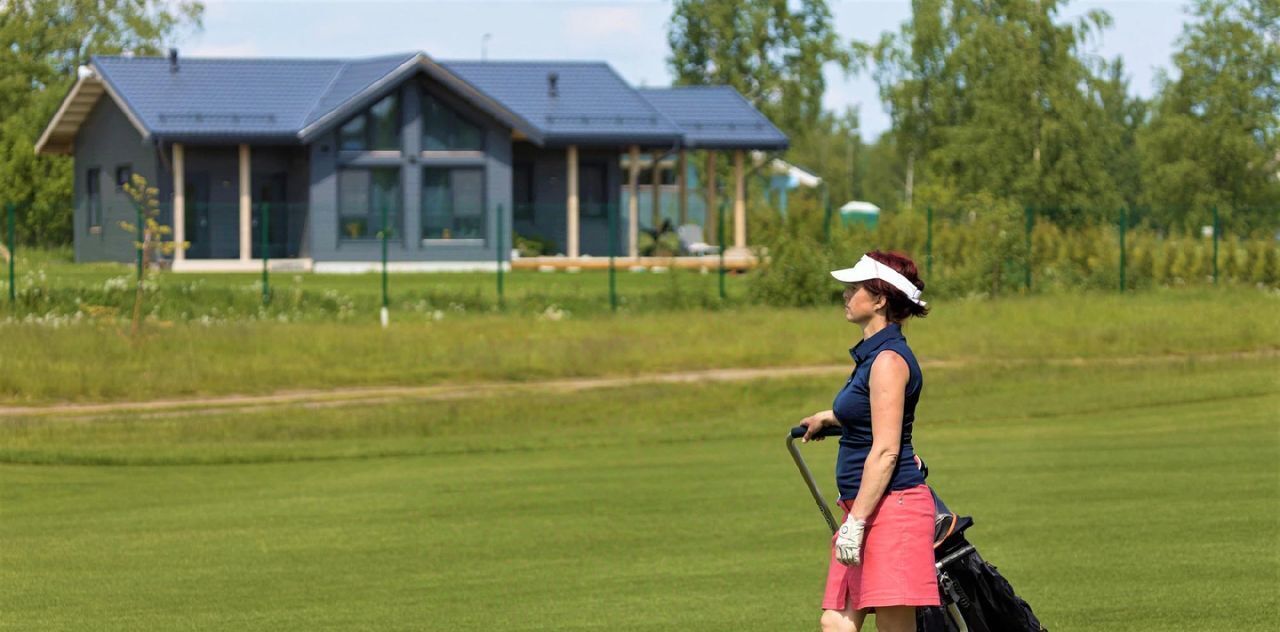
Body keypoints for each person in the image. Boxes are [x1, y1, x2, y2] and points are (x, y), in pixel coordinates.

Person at [798, 250, 939, 632]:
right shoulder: (872, 356)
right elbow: (868, 410)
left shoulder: (888, 361)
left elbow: (887, 448)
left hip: (893, 510)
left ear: (879, 299)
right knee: (836, 623)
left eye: (855, 287)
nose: (846, 294)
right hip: (866, 507)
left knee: (893, 625)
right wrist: (830, 417)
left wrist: (856, 522)